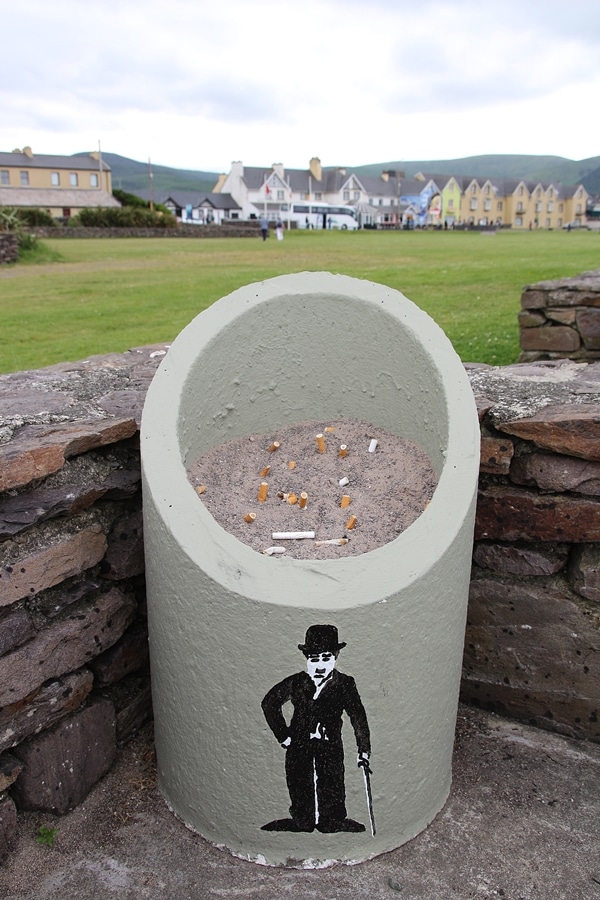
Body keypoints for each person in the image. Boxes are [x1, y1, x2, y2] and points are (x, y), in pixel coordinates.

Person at [261, 624, 371, 833]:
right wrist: (284, 736)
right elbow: (269, 703)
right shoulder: (297, 682)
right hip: (299, 744)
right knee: (299, 780)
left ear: (336, 657)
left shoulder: (345, 684)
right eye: (314, 659)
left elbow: (358, 716)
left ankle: (333, 821)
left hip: (329, 743)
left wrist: (363, 750)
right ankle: (302, 820)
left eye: (326, 658)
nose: (320, 665)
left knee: (332, 780)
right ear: (307, 659)